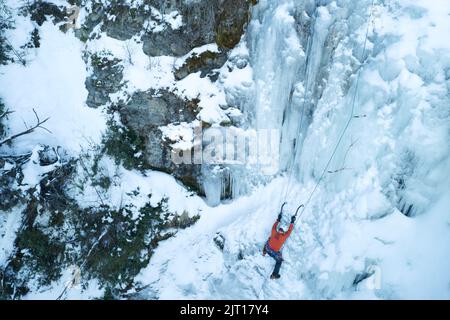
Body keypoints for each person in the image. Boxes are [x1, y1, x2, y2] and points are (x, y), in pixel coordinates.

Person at [263, 211, 296, 279]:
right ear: (283, 232)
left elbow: (274, 226)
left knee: (269, 239)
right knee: (279, 261)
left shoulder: (274, 232)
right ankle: (274, 274)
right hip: (274, 252)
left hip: (268, 248)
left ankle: (264, 251)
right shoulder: (284, 236)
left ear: (279, 230)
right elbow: (289, 230)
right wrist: (292, 222)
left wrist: (278, 219)